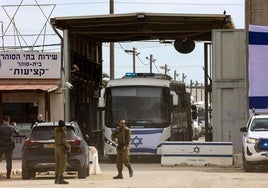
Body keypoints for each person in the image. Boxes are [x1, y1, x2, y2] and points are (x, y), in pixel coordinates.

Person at [54, 120, 70, 184]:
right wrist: (68, 146)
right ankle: (60, 179)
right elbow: (64, 141)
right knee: (62, 164)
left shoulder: (56, 131)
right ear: (63, 126)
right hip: (61, 149)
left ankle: (56, 179)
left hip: (56, 148)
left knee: (57, 164)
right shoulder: (63, 132)